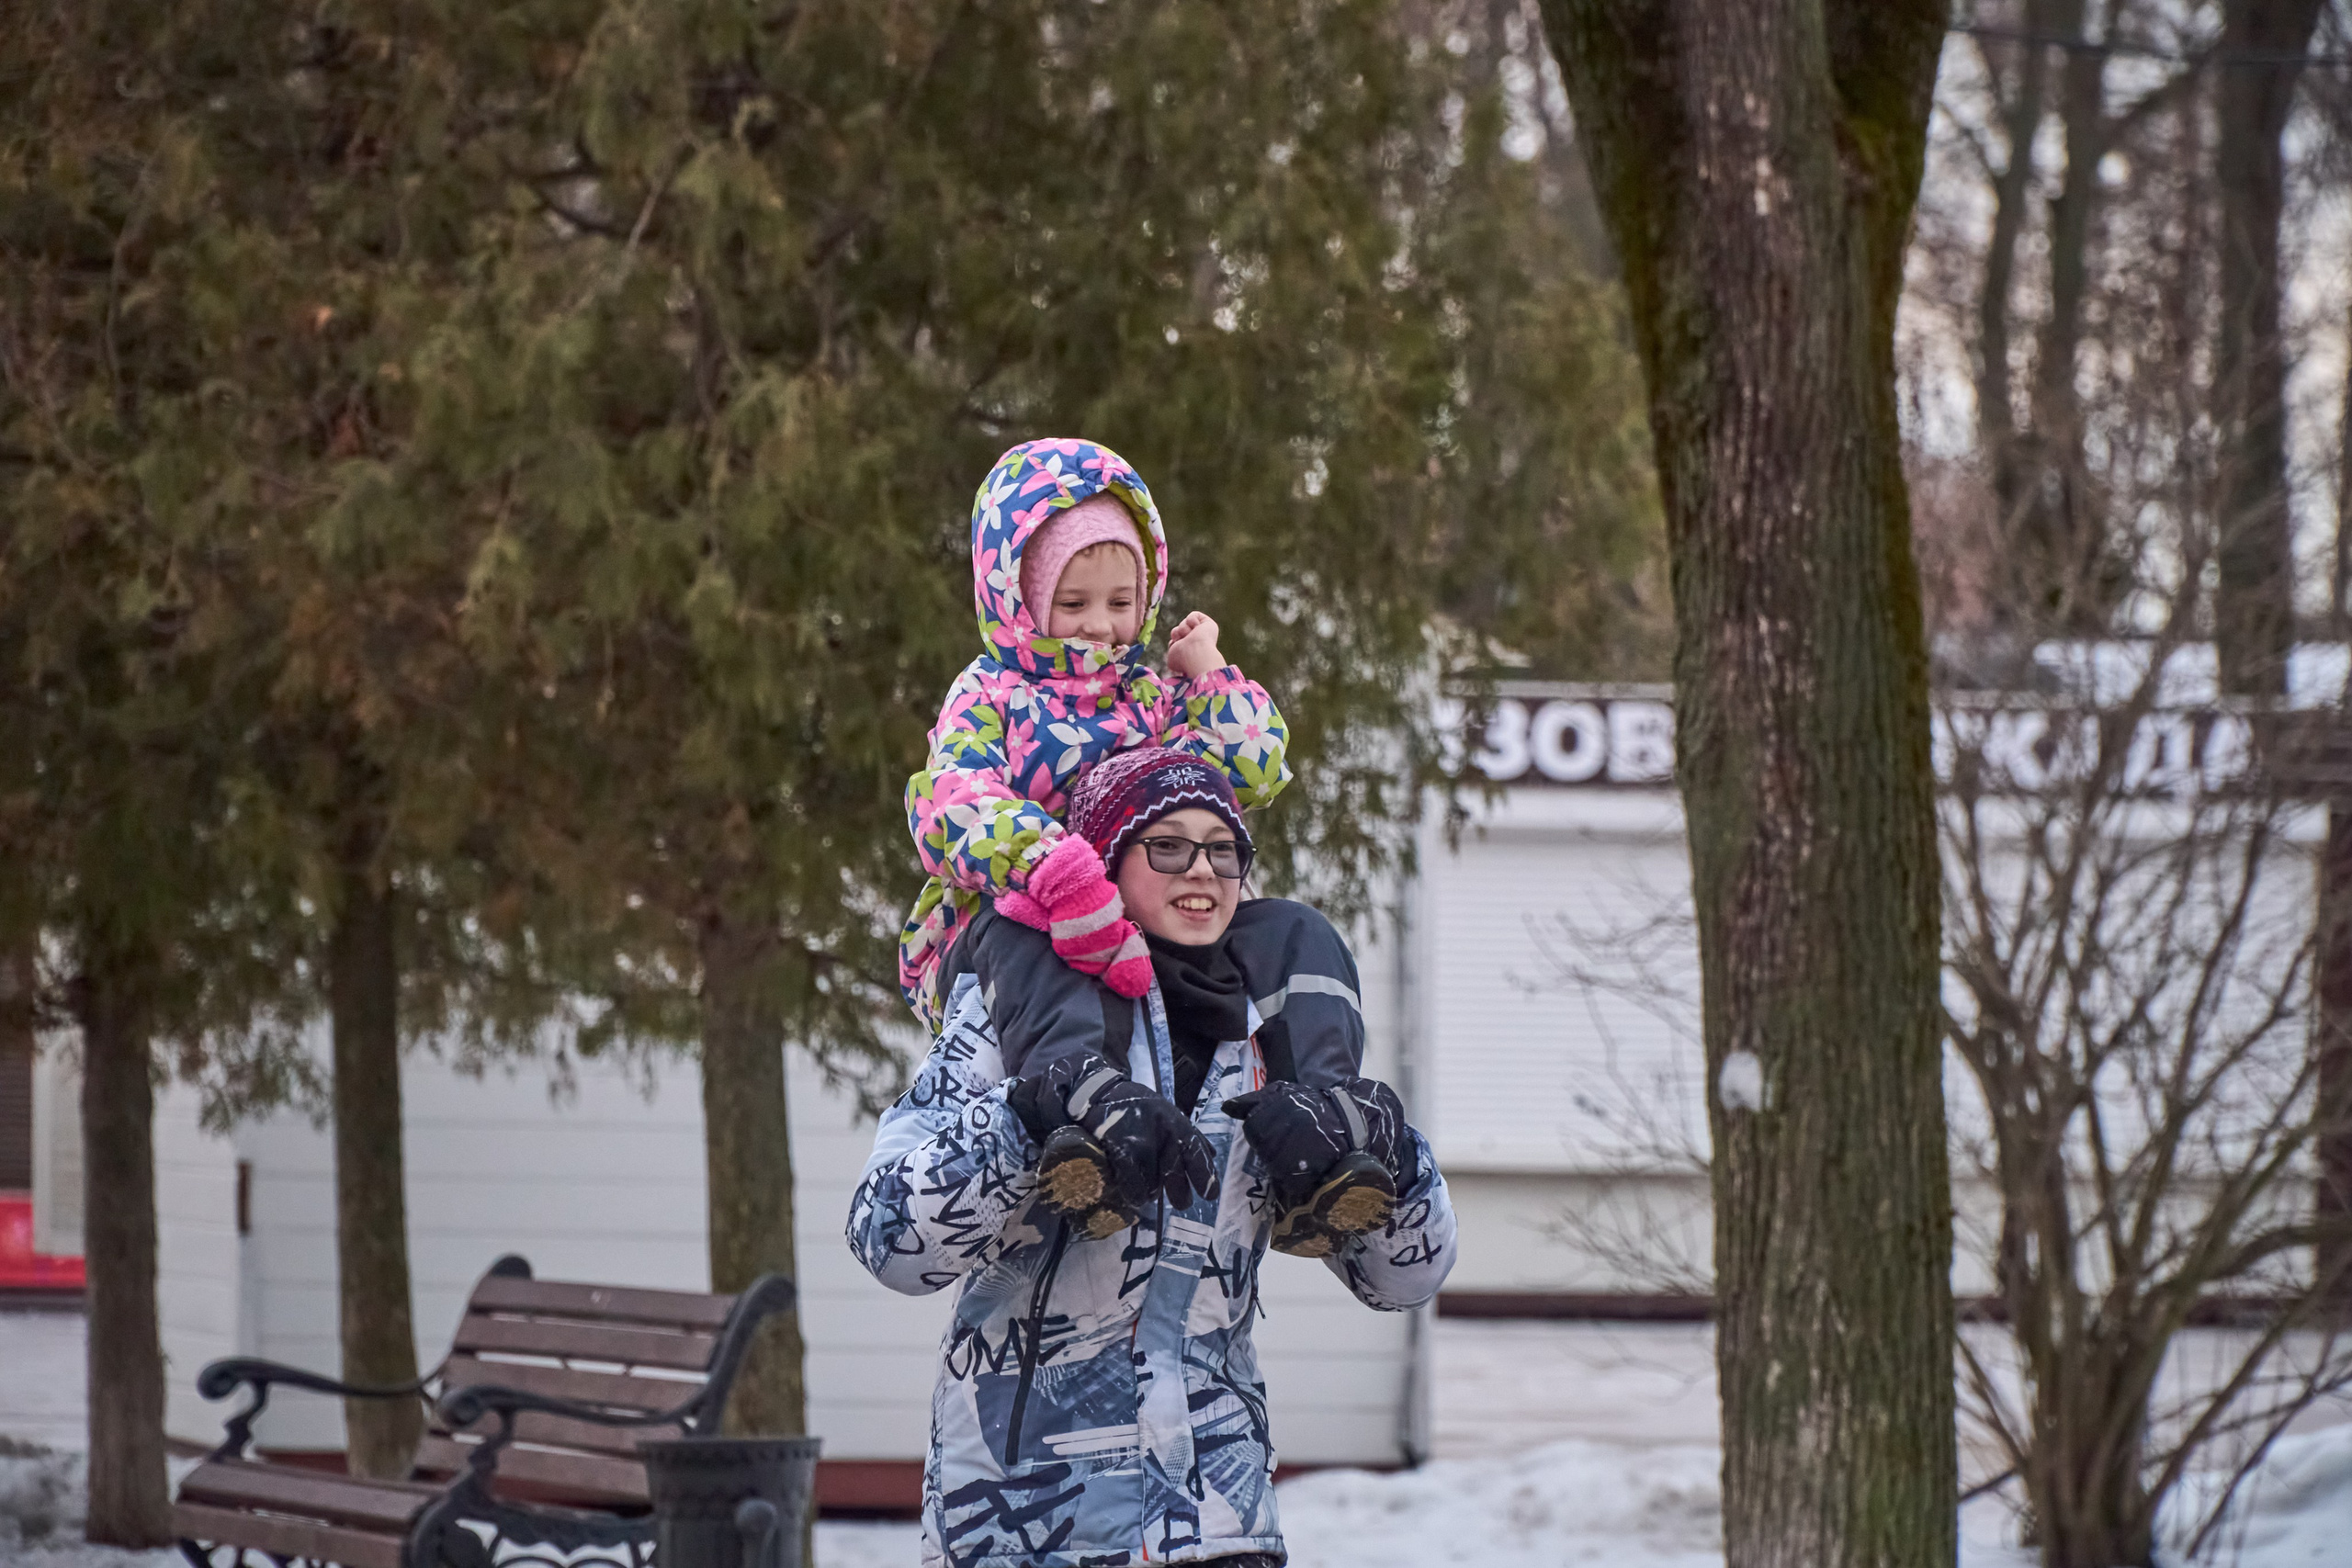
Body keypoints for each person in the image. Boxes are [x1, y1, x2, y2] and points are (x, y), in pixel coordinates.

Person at [847, 751, 1455, 1568]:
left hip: (1219, 1522)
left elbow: (1405, 1281)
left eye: (1223, 848)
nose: (1201, 868)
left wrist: (1390, 1153)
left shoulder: (1275, 1031)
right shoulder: (1016, 1015)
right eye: (1166, 846)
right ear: (1104, 862)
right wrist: (1027, 1116)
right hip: (1026, 1520)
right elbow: (887, 1238)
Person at [899, 437, 1291, 1033]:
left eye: (1121, 600)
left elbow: (1246, 771)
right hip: (1013, 936)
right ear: (1022, 602)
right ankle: (1075, 1102)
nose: (1102, 624)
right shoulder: (991, 694)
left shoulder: (1148, 699)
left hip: (1147, 940)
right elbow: (953, 804)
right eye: (1074, 601)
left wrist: (1209, 670)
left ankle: (1308, 1093)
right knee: (1031, 944)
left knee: (1284, 931)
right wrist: (1054, 868)